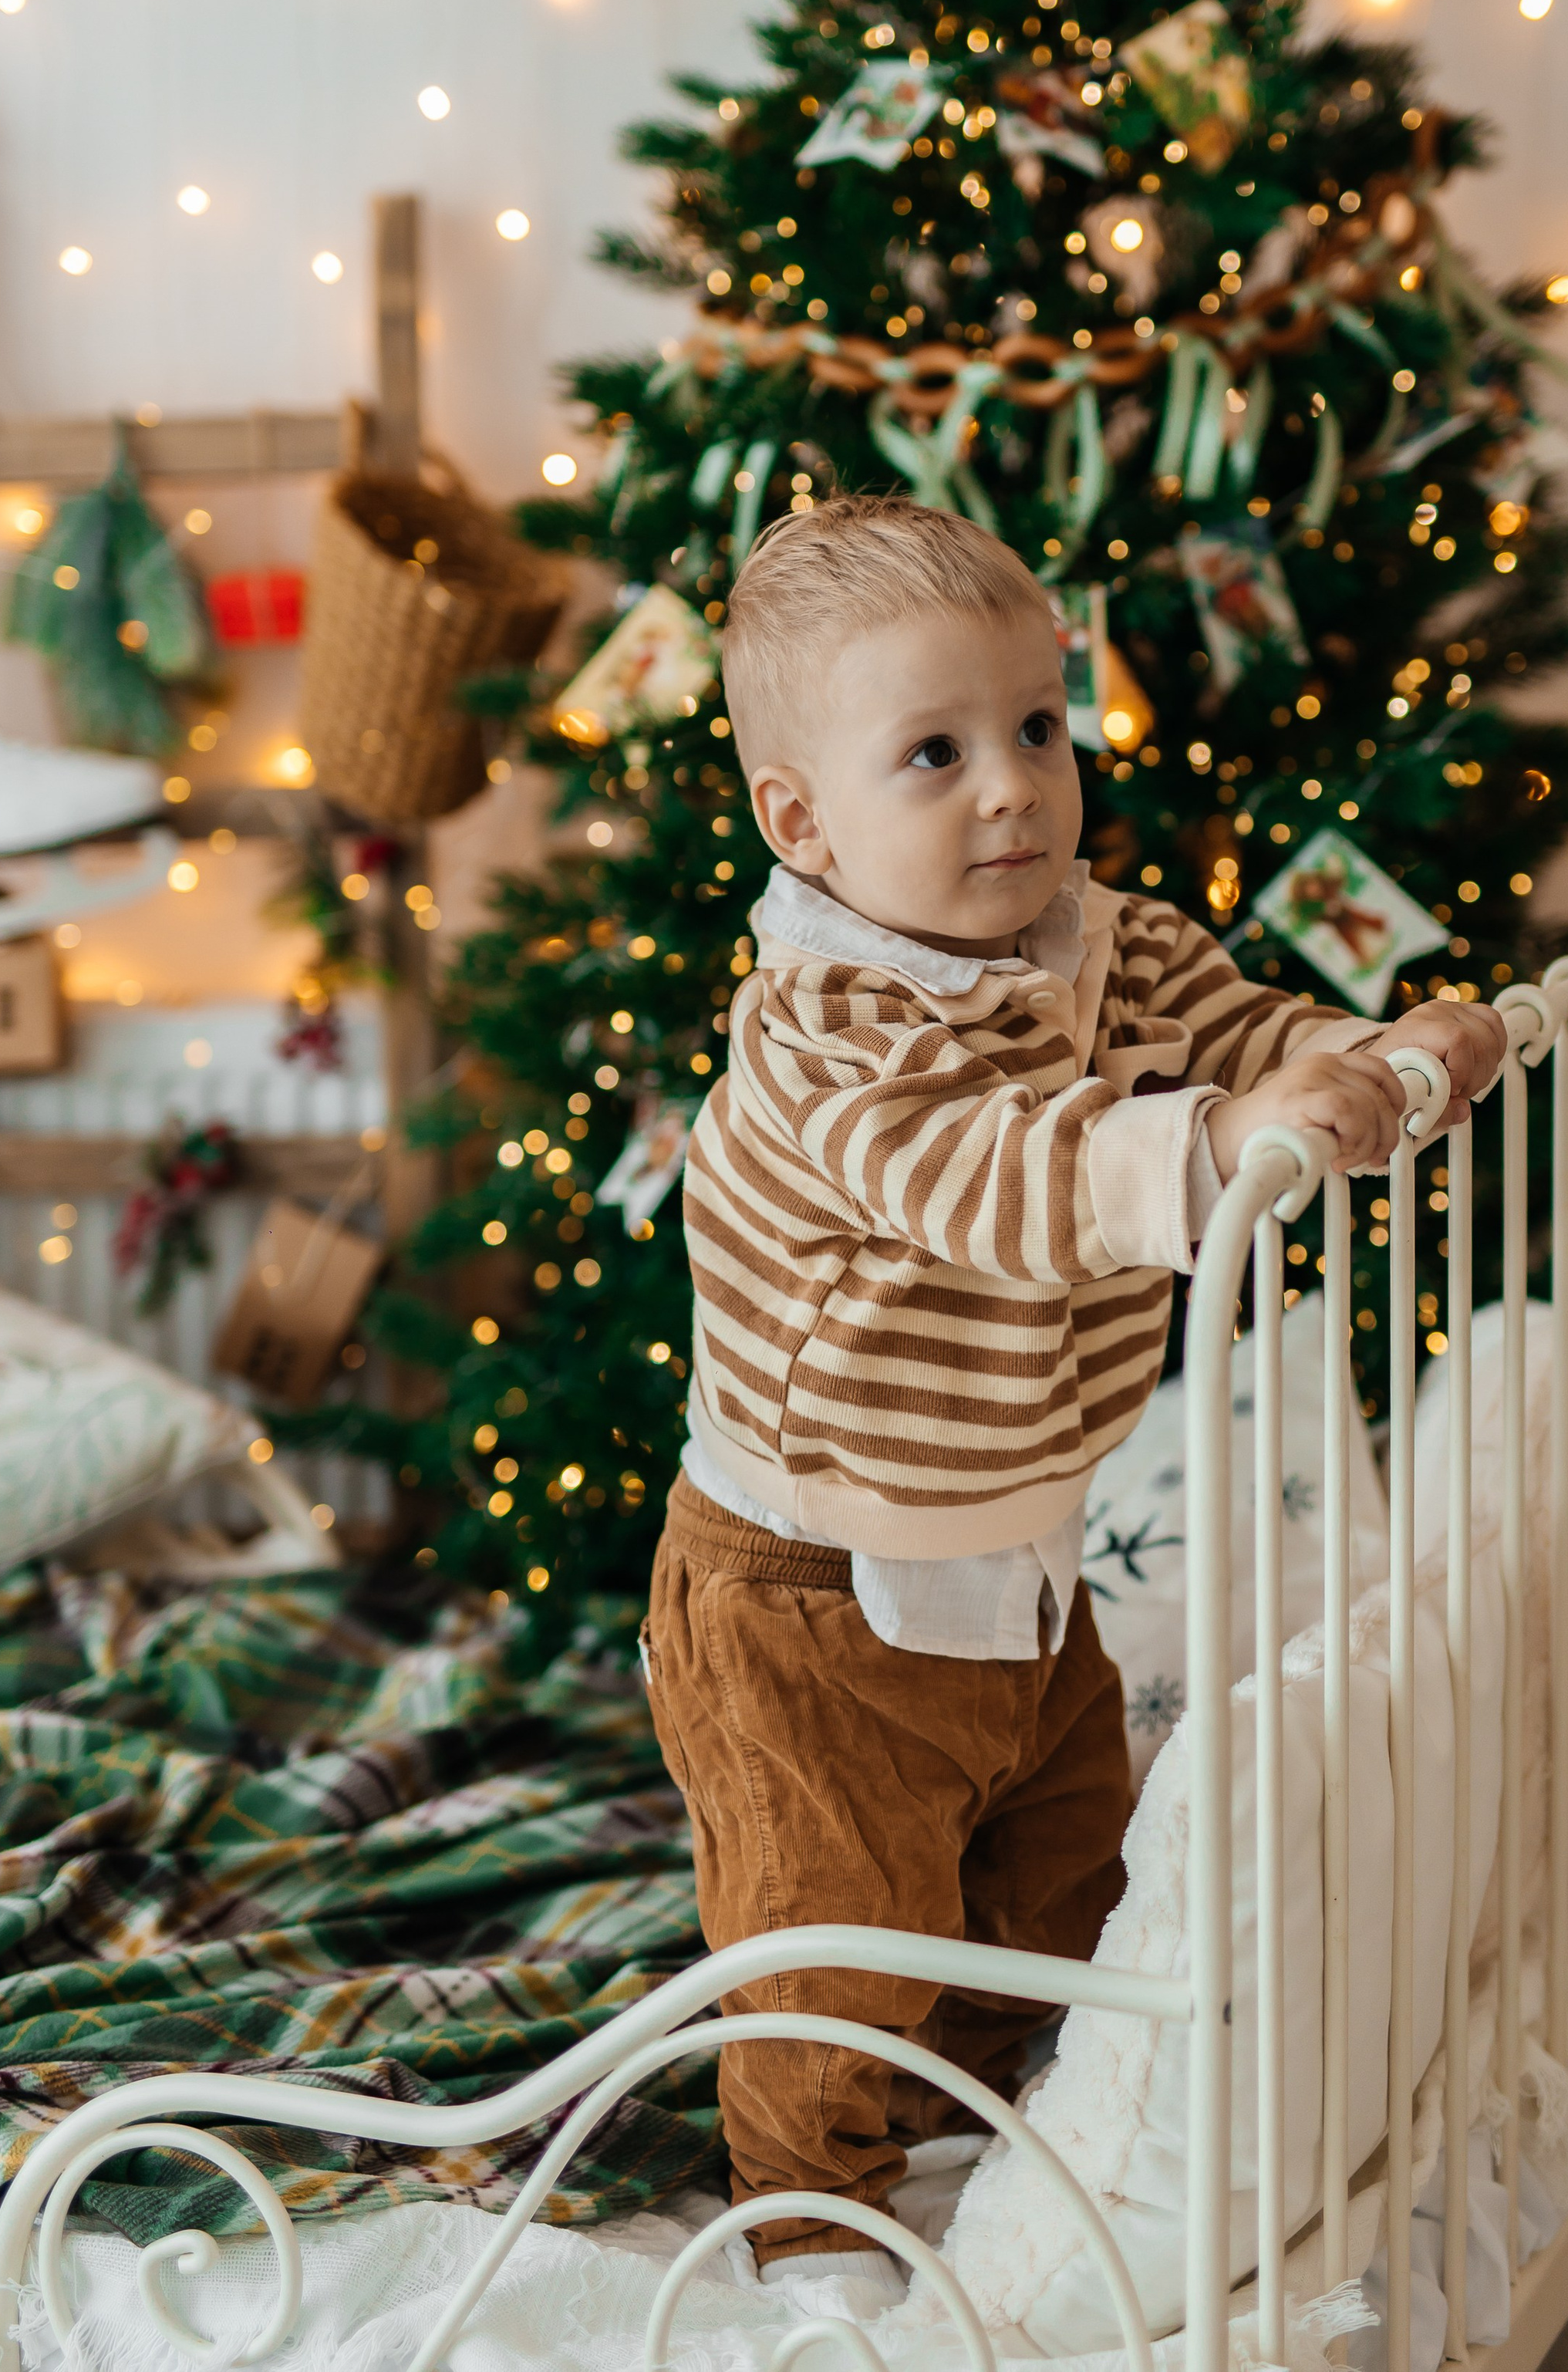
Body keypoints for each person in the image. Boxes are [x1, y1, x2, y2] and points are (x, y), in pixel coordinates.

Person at [644, 494, 1504, 2303]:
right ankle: (812, 2221)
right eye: (934, 753)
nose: (1010, 790)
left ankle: (1018, 2104)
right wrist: (1213, 1148)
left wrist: (1358, 1059)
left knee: (1062, 1868)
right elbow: (996, 1180)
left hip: (1019, 1548)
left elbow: (1232, 1027)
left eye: (1037, 728)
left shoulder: (1091, 938)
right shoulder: (826, 1032)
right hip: (804, 1591)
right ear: (802, 819)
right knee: (828, 1925)